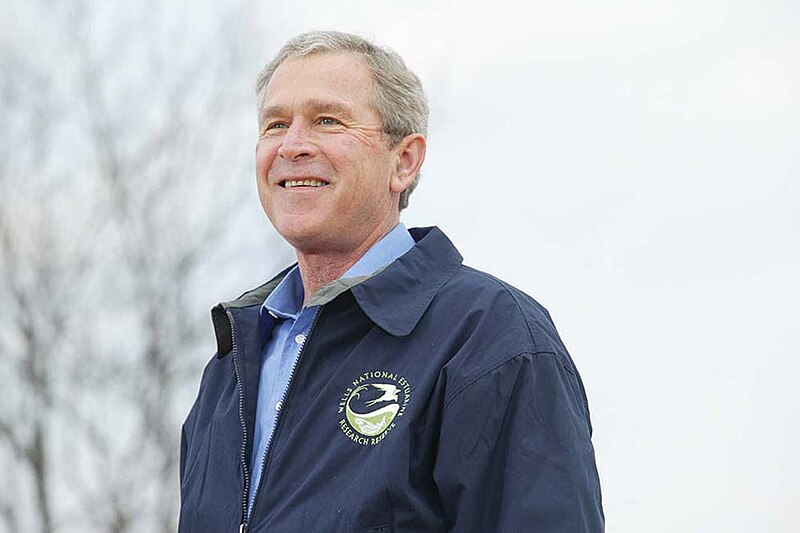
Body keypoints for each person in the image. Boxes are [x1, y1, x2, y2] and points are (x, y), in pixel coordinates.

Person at [178, 30, 604, 533]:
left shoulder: (492, 339)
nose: (292, 145)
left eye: (327, 120)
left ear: (404, 162)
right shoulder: (231, 368)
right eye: (275, 124)